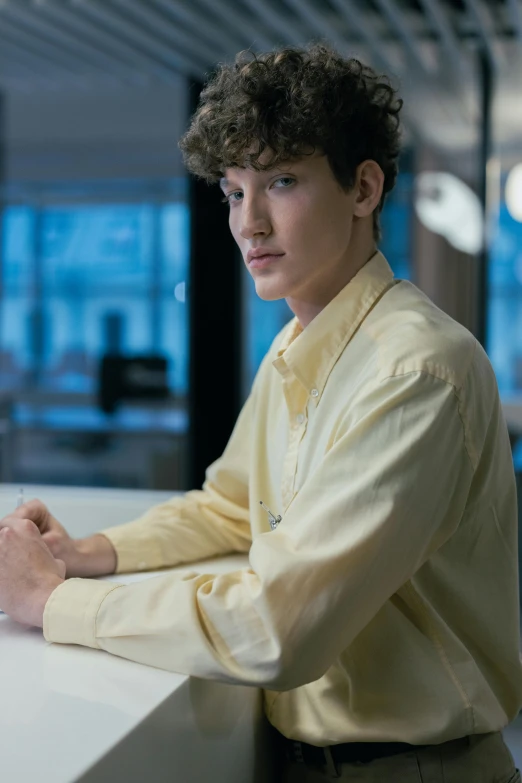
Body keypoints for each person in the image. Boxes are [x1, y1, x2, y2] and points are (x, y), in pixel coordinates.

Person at [0, 44, 521, 782]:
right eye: (235, 191)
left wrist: (56, 602)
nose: (251, 223)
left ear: (364, 188)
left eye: (282, 180)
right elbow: (228, 508)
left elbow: (280, 629)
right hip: (309, 758)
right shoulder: (295, 348)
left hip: (409, 767)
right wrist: (88, 553)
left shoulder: (415, 370)